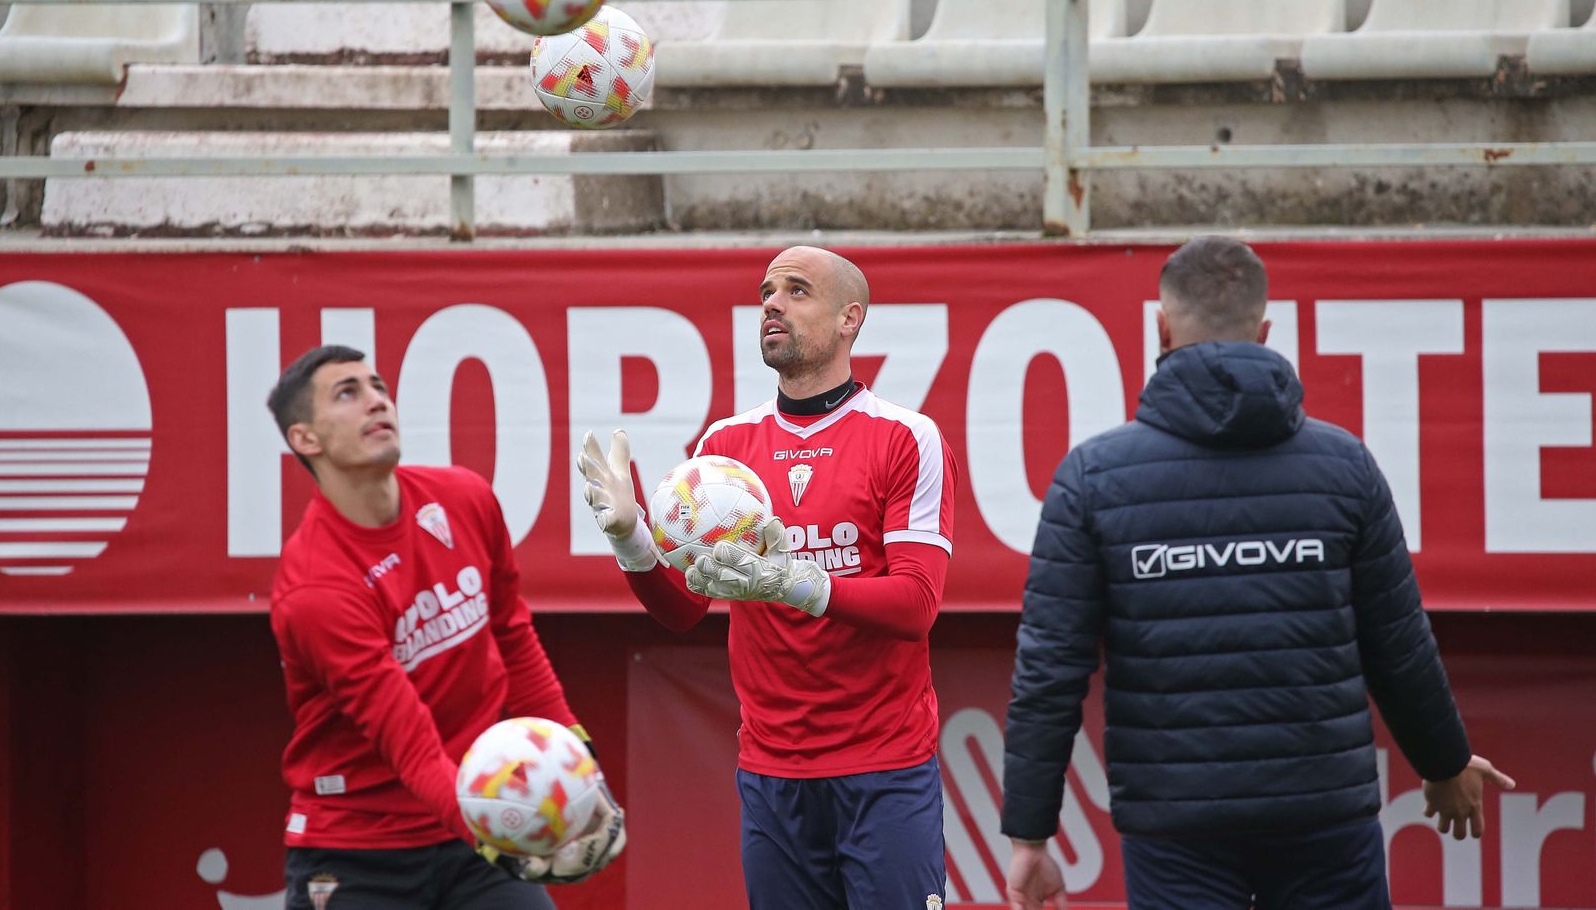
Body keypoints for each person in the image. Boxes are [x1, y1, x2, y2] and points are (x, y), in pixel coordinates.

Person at [1000, 237, 1514, 910]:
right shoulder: (1345, 465)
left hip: (1174, 823)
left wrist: (1030, 836)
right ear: (1266, 332)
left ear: (1160, 327)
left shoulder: (1092, 478)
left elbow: (1051, 673)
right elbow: (1399, 643)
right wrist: (1443, 763)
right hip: (1324, 814)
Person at [577, 246, 958, 909]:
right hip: (772, 771)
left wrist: (794, 585)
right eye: (766, 291)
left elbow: (916, 604)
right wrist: (632, 538)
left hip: (886, 768)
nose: (772, 303)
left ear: (850, 319)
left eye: (797, 290)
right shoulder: (724, 451)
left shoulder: (907, 437)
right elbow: (686, 612)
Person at [266, 344, 624, 910]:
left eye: (377, 385)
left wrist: (584, 771)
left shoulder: (464, 497)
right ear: (305, 439)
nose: (376, 401)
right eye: (348, 393)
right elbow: (411, 747)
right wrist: (505, 846)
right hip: (358, 853)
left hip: (474, 822)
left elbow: (512, 637)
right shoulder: (316, 589)